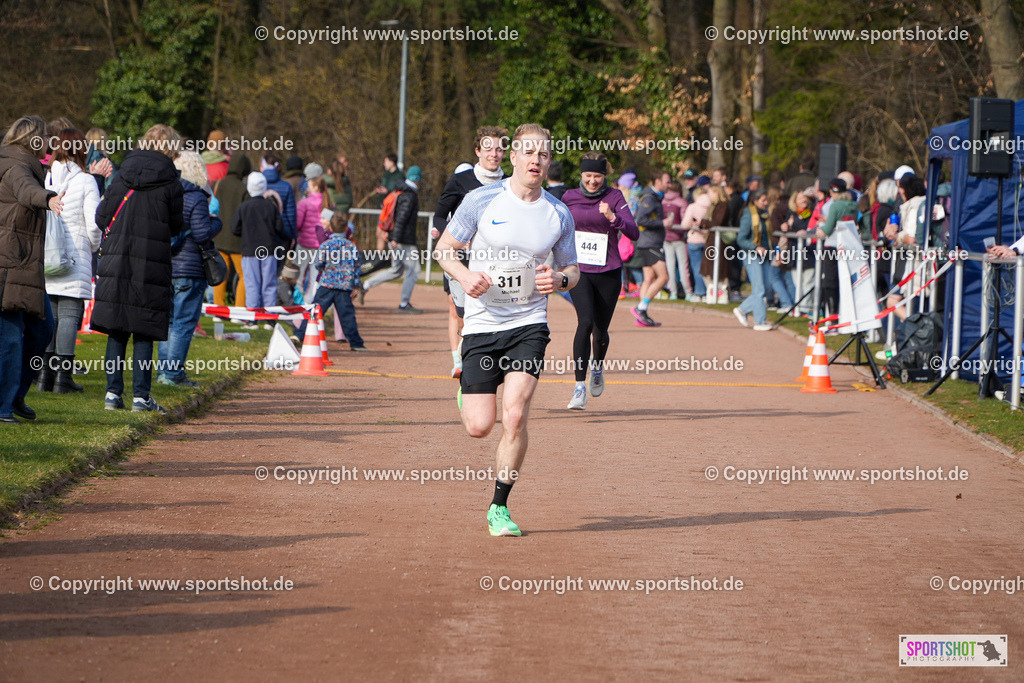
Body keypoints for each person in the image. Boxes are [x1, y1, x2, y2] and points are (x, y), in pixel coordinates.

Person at [434, 123, 578, 537]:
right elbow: (444, 250)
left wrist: (562, 281)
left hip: (528, 324)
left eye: (544, 155)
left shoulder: (558, 213)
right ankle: (468, 388)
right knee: (480, 425)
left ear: (549, 162)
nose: (536, 160)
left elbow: (573, 269)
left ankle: (500, 507)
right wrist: (462, 276)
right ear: (512, 157)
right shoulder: (480, 201)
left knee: (514, 415)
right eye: (528, 153)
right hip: (481, 324)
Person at [93, 124, 184, 414]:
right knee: (144, 329)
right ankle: (141, 396)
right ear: (171, 148)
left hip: (117, 260)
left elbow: (101, 217)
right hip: (152, 260)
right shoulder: (171, 182)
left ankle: (112, 393)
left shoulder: (123, 175)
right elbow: (177, 225)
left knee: (116, 328)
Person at [561, 152, 637, 410]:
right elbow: (555, 227)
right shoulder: (569, 197)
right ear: (581, 175)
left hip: (608, 271)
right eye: (588, 176)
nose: (592, 181)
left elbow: (634, 231)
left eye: (597, 176)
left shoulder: (614, 197)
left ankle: (597, 366)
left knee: (600, 330)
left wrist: (613, 218)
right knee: (585, 322)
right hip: (579, 271)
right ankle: (579, 387)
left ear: (605, 176)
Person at [0, 116, 63, 423]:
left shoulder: (25, 163)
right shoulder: (16, 166)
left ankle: (17, 396)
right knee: (10, 340)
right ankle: (3, 406)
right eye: (45, 138)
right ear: (33, 140)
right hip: (8, 267)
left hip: (23, 268)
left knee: (42, 331)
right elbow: (27, 191)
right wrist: (49, 199)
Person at [432, 127, 508, 378]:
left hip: (495, 260)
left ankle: (478, 363)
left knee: (490, 310)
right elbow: (440, 216)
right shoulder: (460, 181)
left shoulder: (511, 183)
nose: (494, 154)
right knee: (460, 311)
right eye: (488, 148)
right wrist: (457, 240)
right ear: (478, 151)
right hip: (460, 259)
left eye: (499, 148)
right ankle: (460, 360)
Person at [39, 128, 101, 394]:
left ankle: (44, 377)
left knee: (50, 316)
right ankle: (63, 379)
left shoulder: (47, 177)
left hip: (49, 254)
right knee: (69, 316)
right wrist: (93, 247)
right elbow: (94, 225)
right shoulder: (86, 181)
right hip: (75, 253)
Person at [156, 151, 221, 387]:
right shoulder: (196, 197)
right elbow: (203, 233)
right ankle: (173, 374)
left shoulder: (167, 194)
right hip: (191, 267)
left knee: (170, 322)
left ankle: (164, 373)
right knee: (184, 323)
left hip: (168, 265)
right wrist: (216, 221)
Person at [360, 166, 422, 312]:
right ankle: (404, 304)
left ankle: (364, 285)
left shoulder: (401, 191)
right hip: (403, 240)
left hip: (397, 238)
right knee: (414, 270)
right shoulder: (409, 195)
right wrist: (396, 238)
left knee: (396, 270)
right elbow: (401, 219)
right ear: (417, 179)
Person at [305, 212, 366, 351]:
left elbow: (318, 263)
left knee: (315, 311)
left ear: (330, 228)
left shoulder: (326, 245)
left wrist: (323, 270)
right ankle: (356, 343)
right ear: (346, 229)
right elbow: (357, 268)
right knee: (347, 316)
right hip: (344, 287)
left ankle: (300, 335)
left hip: (327, 284)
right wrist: (356, 286)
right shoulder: (352, 247)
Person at [234, 172, 288, 308]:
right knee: (269, 284)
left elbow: (234, 228)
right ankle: (269, 317)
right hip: (268, 250)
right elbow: (279, 228)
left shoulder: (243, 207)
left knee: (252, 284)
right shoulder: (271, 207)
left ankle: (253, 315)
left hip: (249, 250)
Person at [631, 170, 672, 327]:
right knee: (664, 277)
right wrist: (662, 223)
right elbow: (641, 219)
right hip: (650, 243)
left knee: (649, 278)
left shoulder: (654, 198)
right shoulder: (650, 198)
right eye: (667, 182)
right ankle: (641, 308)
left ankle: (642, 314)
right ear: (657, 181)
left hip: (647, 243)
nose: (669, 185)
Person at [733, 190, 777, 331]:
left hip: (765, 254)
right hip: (751, 255)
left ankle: (742, 309)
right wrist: (755, 248)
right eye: (763, 200)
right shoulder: (748, 215)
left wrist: (777, 251)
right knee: (759, 289)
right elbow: (741, 239)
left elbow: (767, 238)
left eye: (766, 200)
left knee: (767, 287)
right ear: (755, 201)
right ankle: (760, 321)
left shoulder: (764, 216)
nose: (766, 203)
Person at [212, 153, 251, 308]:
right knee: (244, 276)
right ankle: (239, 310)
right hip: (237, 241)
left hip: (219, 237)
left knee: (220, 274)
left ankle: (218, 309)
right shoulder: (244, 189)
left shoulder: (218, 184)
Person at [295, 173, 332, 301]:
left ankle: (297, 302)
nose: (308, 188)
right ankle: (311, 304)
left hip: (304, 244)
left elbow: (298, 224)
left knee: (298, 277)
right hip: (320, 246)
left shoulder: (304, 203)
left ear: (316, 187)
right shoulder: (328, 203)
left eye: (309, 185)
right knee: (315, 279)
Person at [661, 180, 691, 301]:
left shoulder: (662, 201)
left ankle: (672, 292)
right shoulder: (682, 202)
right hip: (679, 238)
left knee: (670, 266)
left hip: (666, 237)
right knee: (684, 267)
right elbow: (685, 220)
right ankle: (688, 292)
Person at [260, 154, 297, 243]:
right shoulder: (286, 186)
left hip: (261, 232)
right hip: (283, 233)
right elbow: (291, 214)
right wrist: (293, 235)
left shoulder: (256, 185)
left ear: (262, 167)